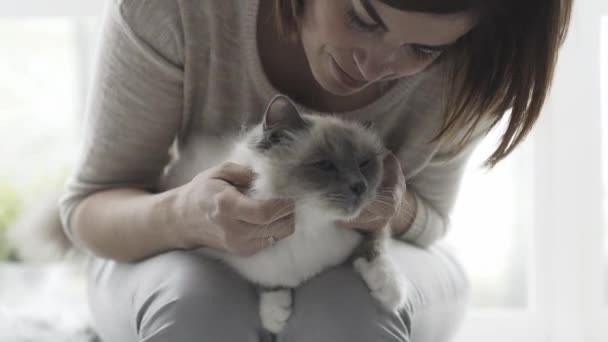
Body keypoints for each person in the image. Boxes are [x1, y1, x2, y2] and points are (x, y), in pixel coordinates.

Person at [59, 0, 572, 341]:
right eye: (363, 19)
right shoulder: (178, 9)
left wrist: (383, 208)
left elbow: (431, 221)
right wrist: (183, 217)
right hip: (168, 247)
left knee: (352, 311)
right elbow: (90, 207)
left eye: (422, 50)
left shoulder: (470, 65)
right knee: (195, 307)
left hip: (378, 259)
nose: (374, 65)